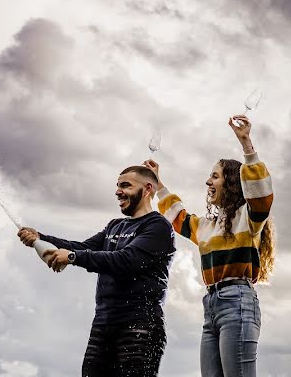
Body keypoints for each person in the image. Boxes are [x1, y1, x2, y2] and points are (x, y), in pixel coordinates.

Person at [146, 114, 274, 377]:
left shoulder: (248, 219)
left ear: (231, 182)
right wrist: (158, 184)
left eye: (214, 176)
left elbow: (261, 194)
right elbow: (178, 217)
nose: (208, 182)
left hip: (237, 302)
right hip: (211, 306)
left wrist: (247, 144)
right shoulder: (207, 226)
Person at [17, 164, 175, 377]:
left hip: (139, 327)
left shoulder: (158, 226)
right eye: (117, 186)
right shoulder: (114, 226)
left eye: (125, 186)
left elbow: (126, 260)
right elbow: (82, 247)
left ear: (147, 189)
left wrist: (72, 257)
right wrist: (41, 238)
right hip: (102, 324)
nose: (118, 191)